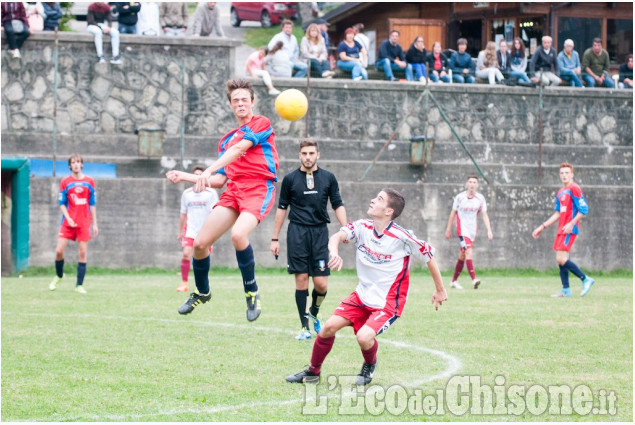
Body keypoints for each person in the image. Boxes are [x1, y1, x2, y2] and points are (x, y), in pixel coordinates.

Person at [285, 188, 447, 385]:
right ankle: (313, 372)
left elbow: (428, 255)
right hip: (361, 296)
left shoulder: (402, 237)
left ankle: (370, 364)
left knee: (363, 337)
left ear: (388, 211)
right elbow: (336, 236)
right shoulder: (363, 227)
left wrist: (440, 289)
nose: (372, 200)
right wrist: (334, 252)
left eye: (379, 199)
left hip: (387, 303)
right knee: (327, 328)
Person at [165, 79, 279, 322]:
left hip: (258, 188)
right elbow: (219, 180)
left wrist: (207, 169)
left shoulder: (261, 123)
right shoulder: (226, 140)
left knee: (238, 235)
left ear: (252, 102)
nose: (240, 103)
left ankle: (251, 291)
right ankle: (202, 292)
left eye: (244, 100)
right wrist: (184, 176)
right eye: (235, 100)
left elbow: (239, 150)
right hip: (234, 191)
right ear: (230, 105)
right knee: (199, 243)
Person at [270, 139, 347, 340]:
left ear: (317, 155)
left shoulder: (329, 178)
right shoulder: (290, 179)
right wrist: (274, 238)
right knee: (302, 279)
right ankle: (304, 327)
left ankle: (314, 310)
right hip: (297, 233)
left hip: (320, 233)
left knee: (321, 284)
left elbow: (337, 203)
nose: (308, 157)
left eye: (311, 153)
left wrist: (346, 229)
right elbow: (281, 209)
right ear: (299, 155)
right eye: (304, 153)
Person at [532, 163, 594, 298]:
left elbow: (584, 210)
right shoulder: (560, 192)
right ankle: (566, 289)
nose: (564, 175)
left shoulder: (574, 188)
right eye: (562, 173)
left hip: (570, 229)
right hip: (561, 229)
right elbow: (557, 213)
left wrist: (572, 223)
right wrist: (542, 227)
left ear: (572, 174)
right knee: (560, 259)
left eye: (567, 173)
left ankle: (585, 279)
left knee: (561, 258)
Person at [49, 154, 98, 294]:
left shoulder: (90, 181)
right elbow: (61, 203)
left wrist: (95, 224)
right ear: (70, 165)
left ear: (82, 164)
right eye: (73, 162)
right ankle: (59, 275)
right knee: (59, 251)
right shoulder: (65, 181)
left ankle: (79, 285)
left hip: (84, 223)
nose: (76, 164)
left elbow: (92, 203)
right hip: (68, 223)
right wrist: (68, 217)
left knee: (82, 253)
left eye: (78, 162)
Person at [444, 175, 493, 290]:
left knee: (462, 255)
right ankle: (474, 279)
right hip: (462, 230)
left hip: (472, 231)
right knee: (469, 252)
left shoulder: (480, 199)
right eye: (470, 182)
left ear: (477, 185)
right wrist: (448, 229)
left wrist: (489, 230)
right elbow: (453, 213)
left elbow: (484, 215)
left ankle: (454, 281)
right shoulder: (460, 197)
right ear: (466, 184)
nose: (472, 184)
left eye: (474, 182)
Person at [176, 165, 219, 293]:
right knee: (186, 254)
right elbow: (183, 213)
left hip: (205, 231)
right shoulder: (187, 194)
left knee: (200, 258)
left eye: (201, 175)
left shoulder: (211, 193)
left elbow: (215, 213)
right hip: (190, 230)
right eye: (196, 175)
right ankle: (184, 283)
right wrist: (180, 232)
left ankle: (200, 285)